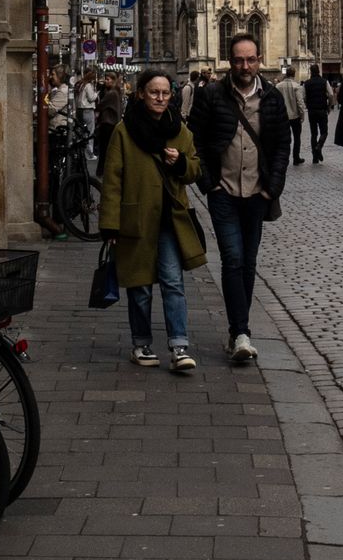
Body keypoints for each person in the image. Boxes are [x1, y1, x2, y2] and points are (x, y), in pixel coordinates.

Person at [188, 34, 290, 365]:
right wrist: (209, 183)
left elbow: (282, 145)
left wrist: (272, 187)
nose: (245, 66)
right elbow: (195, 140)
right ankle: (242, 332)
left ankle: (237, 332)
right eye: (238, 60)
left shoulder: (272, 97)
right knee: (232, 259)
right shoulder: (211, 94)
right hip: (224, 192)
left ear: (259, 60)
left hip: (257, 193)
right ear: (229, 61)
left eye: (250, 59)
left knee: (248, 261)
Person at [98, 69, 206, 373]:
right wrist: (110, 224)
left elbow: (195, 169)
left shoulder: (179, 130)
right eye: (154, 92)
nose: (160, 98)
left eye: (165, 93)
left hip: (170, 218)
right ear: (141, 94)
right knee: (140, 284)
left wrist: (180, 162)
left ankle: (179, 346)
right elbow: (112, 179)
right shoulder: (124, 131)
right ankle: (142, 343)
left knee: (173, 281)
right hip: (136, 218)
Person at [276, 63, 307, 170]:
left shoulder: (278, 86)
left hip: (283, 116)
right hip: (295, 116)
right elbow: (300, 103)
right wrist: (302, 115)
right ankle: (296, 158)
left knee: (283, 139)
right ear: (294, 74)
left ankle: (282, 158)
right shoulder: (296, 86)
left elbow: (276, 102)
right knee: (297, 138)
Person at [303, 66, 335, 164]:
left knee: (314, 134)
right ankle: (319, 146)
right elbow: (331, 95)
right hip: (322, 109)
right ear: (319, 71)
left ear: (310, 72)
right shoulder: (324, 82)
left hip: (312, 110)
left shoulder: (306, 83)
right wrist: (329, 106)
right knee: (324, 132)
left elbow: (303, 96)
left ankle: (315, 157)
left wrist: (307, 104)